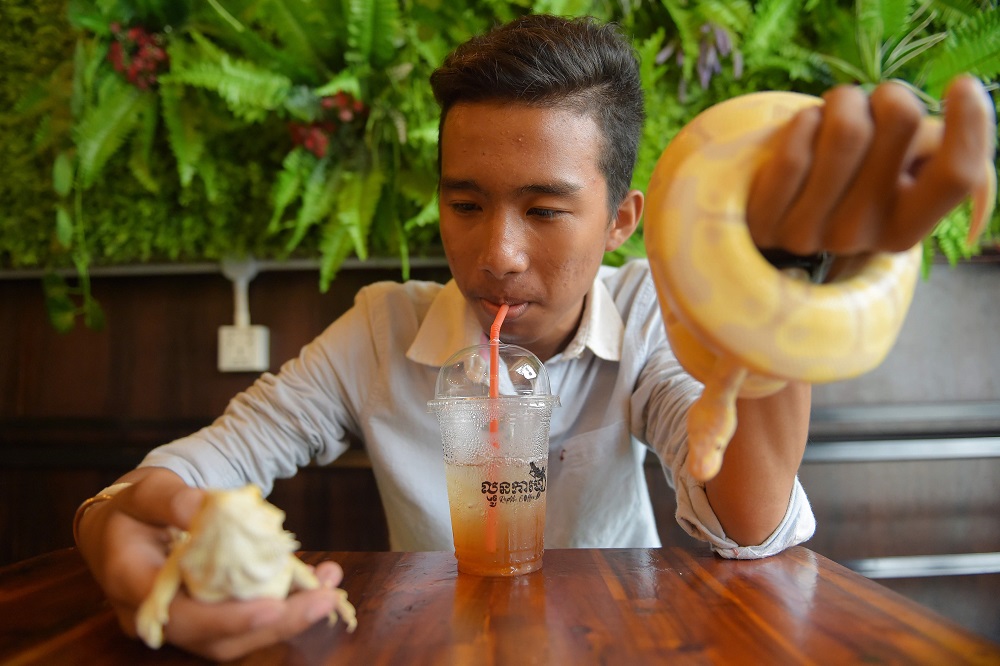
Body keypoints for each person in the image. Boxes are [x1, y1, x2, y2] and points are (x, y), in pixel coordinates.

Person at [72, 14, 995, 660]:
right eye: (464, 203)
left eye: (546, 209)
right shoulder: (379, 331)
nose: (498, 254)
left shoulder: (647, 312)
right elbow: (182, 473)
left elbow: (751, 528)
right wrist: (113, 525)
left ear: (623, 218)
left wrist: (777, 275)